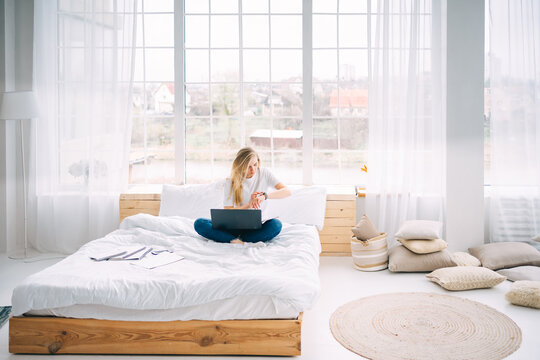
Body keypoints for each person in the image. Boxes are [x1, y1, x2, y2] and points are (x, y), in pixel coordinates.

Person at [194, 147, 291, 244]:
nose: (252, 169)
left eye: (255, 164)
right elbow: (228, 212)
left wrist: (264, 196)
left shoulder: (265, 173)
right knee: (199, 223)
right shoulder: (230, 182)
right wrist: (249, 205)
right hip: (234, 227)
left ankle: (234, 239)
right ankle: (238, 240)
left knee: (276, 224)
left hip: (257, 227)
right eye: (248, 166)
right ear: (240, 166)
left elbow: (287, 191)